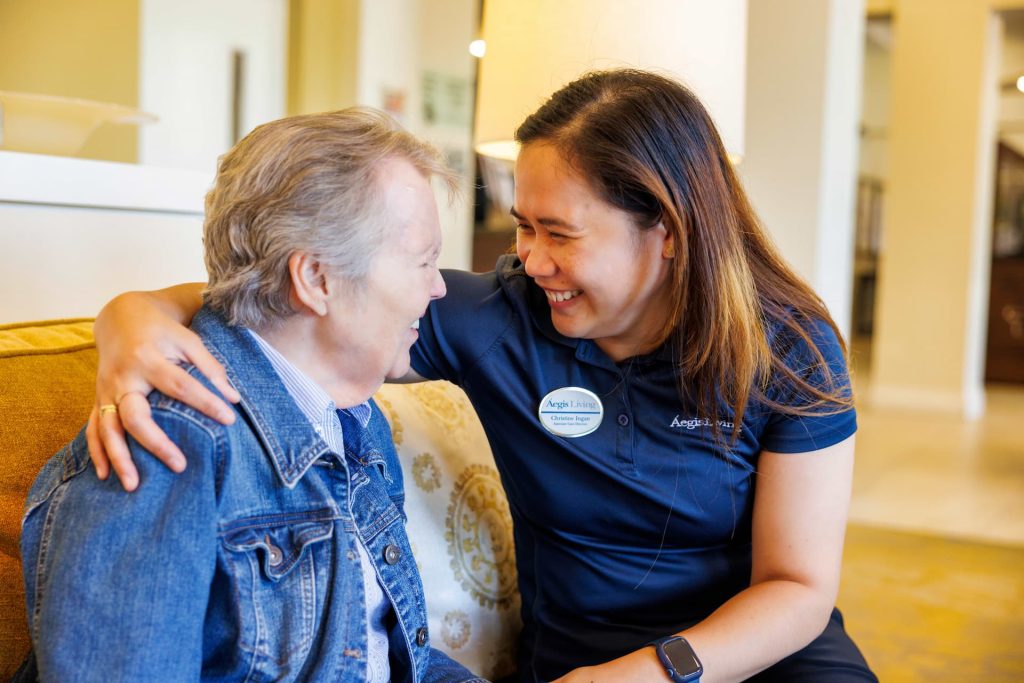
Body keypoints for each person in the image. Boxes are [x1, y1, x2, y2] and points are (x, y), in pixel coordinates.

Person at [85, 70, 877, 683]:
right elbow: (296, 300)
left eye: (558, 233)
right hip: (582, 658)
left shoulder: (787, 346)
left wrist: (657, 671)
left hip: (758, 651)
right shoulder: (505, 316)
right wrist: (134, 313)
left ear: (664, 231)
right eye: (523, 225)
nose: (529, 258)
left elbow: (799, 586)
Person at [18, 108, 487, 683]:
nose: (438, 287)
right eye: (424, 261)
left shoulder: (353, 418)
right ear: (316, 280)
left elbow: (385, 661)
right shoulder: (168, 446)